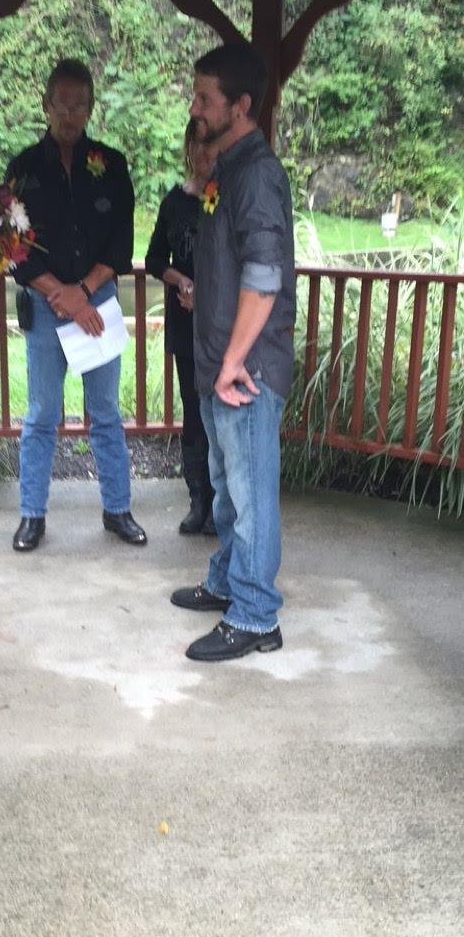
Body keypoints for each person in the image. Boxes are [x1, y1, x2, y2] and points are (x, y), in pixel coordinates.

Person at [170, 42, 296, 662]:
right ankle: (227, 580)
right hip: (223, 361)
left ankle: (254, 616)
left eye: (204, 99)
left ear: (241, 106)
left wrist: (231, 362)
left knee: (250, 493)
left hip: (244, 369)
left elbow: (265, 275)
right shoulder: (227, 167)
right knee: (226, 487)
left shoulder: (256, 174)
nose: (194, 108)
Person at [5, 58, 146, 552]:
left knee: (105, 410)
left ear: (90, 108)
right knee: (42, 412)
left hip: (96, 302)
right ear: (46, 105)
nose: (69, 114)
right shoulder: (22, 168)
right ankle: (32, 515)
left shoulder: (111, 164)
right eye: (60, 104)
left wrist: (83, 293)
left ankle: (118, 509)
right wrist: (58, 294)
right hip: (45, 306)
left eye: (79, 104)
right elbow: (12, 247)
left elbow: (121, 242)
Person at [145, 119, 216, 535]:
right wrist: (182, 281)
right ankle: (197, 500)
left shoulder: (228, 198)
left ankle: (220, 503)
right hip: (185, 321)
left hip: (221, 324)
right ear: (188, 148)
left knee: (219, 412)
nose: (205, 154)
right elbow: (156, 259)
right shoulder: (174, 201)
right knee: (193, 410)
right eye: (198, 145)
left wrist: (208, 290)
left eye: (212, 145)